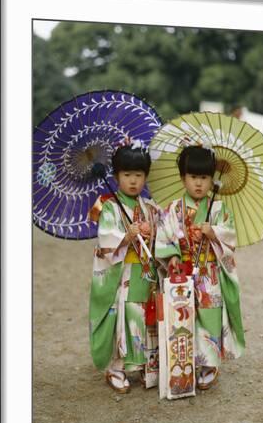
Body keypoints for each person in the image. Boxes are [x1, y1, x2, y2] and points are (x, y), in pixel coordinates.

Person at [155, 145, 245, 390]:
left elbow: (230, 238)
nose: (198, 184)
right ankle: (188, 361)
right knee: (185, 316)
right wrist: (172, 256)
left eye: (204, 178)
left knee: (209, 315)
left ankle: (209, 363)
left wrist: (213, 231)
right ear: (183, 177)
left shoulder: (218, 209)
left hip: (209, 273)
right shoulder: (173, 209)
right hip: (183, 272)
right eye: (193, 177)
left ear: (211, 180)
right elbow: (164, 237)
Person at [88, 144, 160, 394]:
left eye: (139, 175)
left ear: (145, 177)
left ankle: (143, 364)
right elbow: (105, 239)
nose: (133, 181)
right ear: (117, 176)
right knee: (123, 317)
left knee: (144, 316)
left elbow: (162, 237)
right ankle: (116, 367)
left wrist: (153, 234)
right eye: (127, 174)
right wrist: (126, 237)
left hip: (145, 273)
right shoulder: (110, 206)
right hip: (122, 274)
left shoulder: (149, 206)